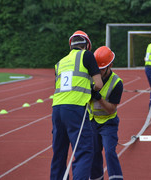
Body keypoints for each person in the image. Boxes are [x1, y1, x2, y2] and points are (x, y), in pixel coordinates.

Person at [50, 30, 103, 180]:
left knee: (59, 153)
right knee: (84, 151)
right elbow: (98, 84)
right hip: (76, 108)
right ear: (87, 46)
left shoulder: (59, 63)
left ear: (71, 45)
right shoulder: (86, 55)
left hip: (57, 109)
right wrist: (92, 91)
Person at [89, 46, 124, 180]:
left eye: (102, 68)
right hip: (92, 121)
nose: (98, 71)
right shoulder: (91, 78)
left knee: (109, 152)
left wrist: (98, 97)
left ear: (110, 66)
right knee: (94, 153)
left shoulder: (117, 83)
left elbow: (111, 109)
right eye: (96, 68)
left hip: (108, 123)